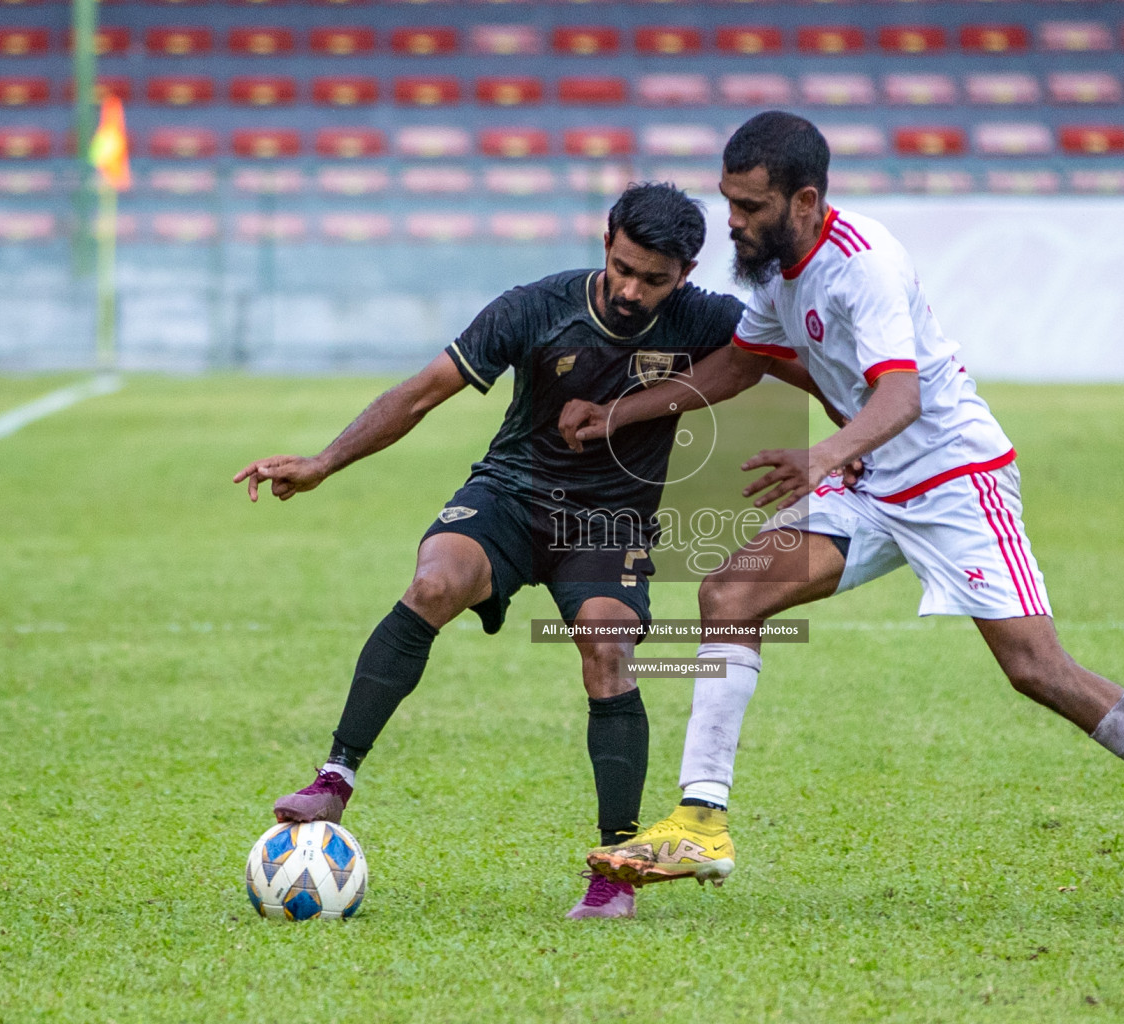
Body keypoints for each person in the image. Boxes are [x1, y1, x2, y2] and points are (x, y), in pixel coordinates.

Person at [559, 113, 1124, 928]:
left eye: (750, 205)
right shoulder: (771, 269)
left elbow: (901, 399)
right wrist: (620, 413)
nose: (732, 220)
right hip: (868, 478)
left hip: (952, 480)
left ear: (804, 200)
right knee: (730, 594)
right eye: (729, 200)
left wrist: (823, 454)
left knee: (1037, 670)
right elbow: (740, 363)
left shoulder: (862, 266)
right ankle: (700, 820)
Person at [233, 183, 746, 920]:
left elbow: (789, 358)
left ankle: (614, 874)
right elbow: (420, 393)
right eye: (625, 268)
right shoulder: (536, 308)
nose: (633, 290)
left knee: (607, 650)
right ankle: (334, 778)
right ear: (606, 243)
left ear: (687, 274)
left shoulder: (707, 319)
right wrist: (322, 462)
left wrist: (851, 444)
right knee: (436, 582)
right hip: (511, 492)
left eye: (654, 280)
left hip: (610, 522)